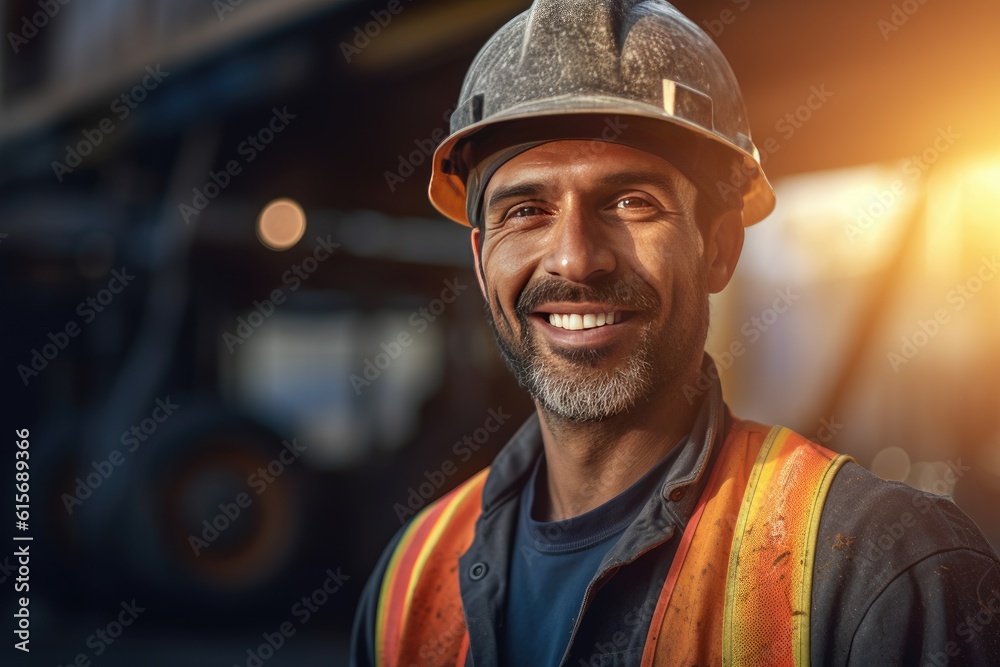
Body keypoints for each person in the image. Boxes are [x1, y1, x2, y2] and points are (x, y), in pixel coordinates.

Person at [351, 1, 1000, 664]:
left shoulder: (880, 566)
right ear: (481, 258)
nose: (575, 258)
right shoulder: (411, 580)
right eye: (526, 210)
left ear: (718, 249)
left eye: (631, 201)